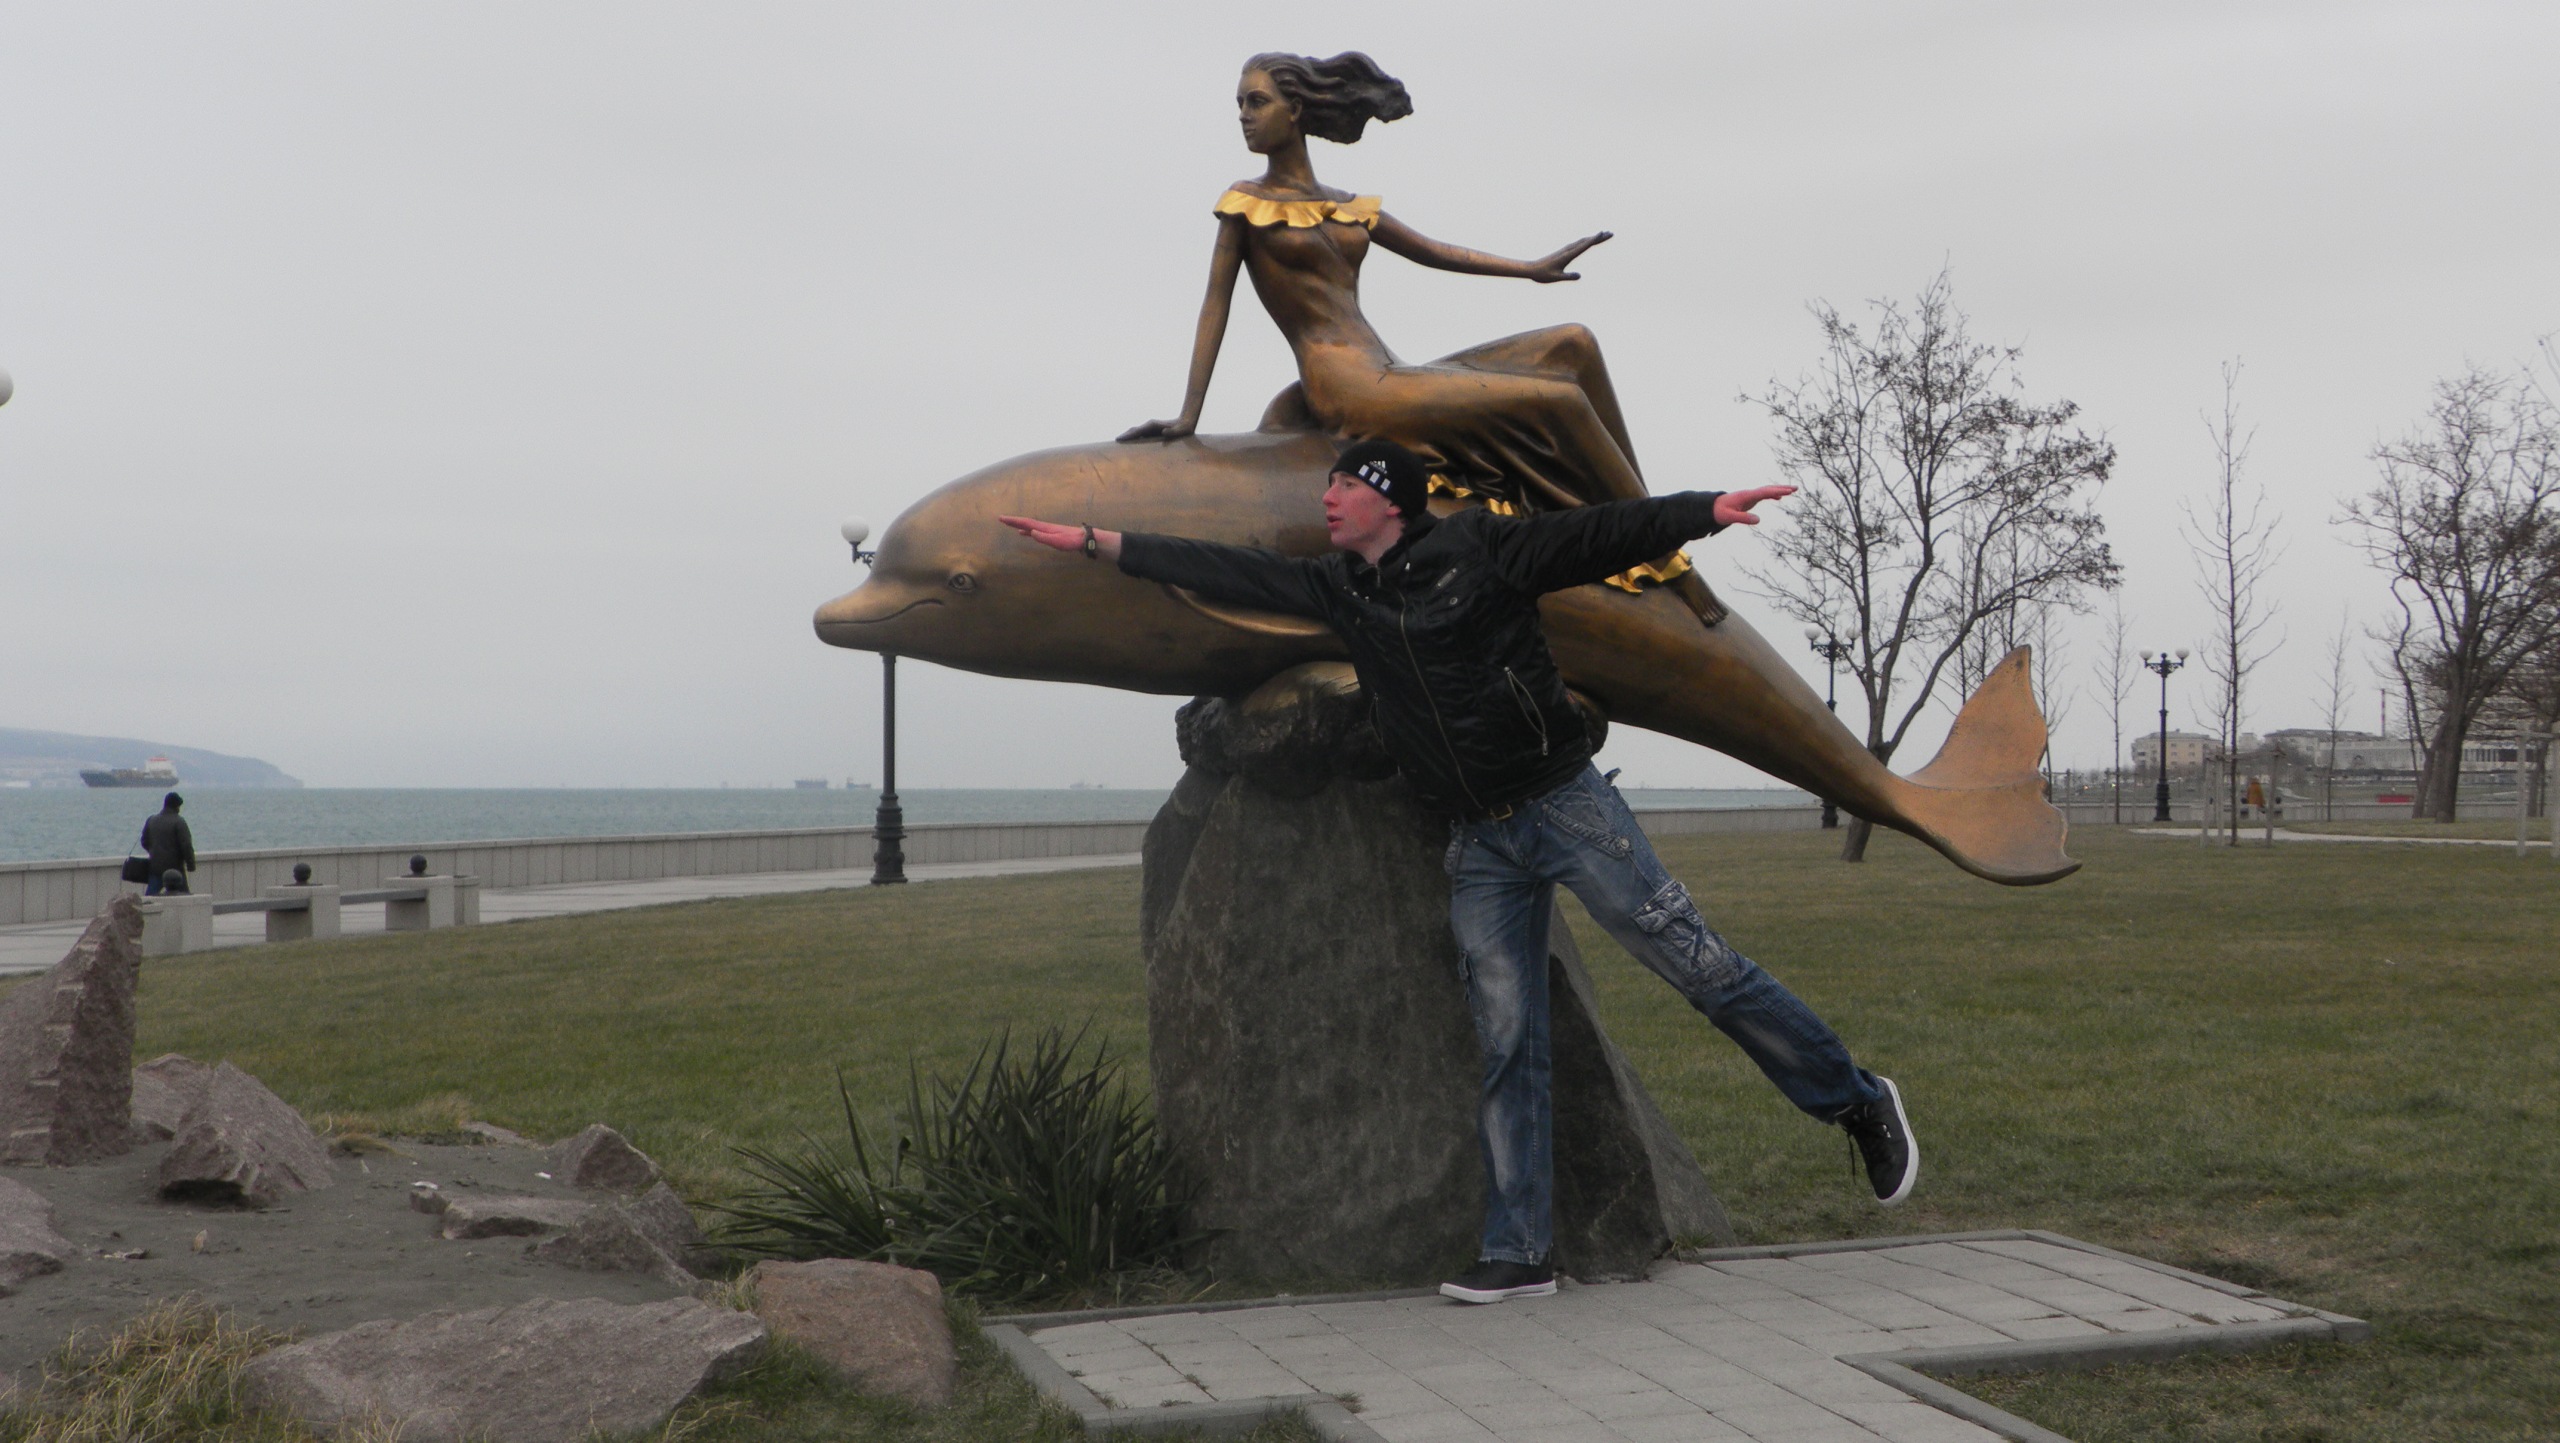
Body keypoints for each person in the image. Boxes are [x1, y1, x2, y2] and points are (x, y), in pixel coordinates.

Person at [998, 439, 1917, 1307]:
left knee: (1699, 966)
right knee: (1507, 1039)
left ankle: (1858, 1099)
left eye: (1345, 484)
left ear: (1388, 500)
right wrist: (1097, 541)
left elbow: (1595, 534)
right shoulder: (1341, 589)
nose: (1328, 497)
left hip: (1566, 806)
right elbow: (1222, 568)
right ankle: (1521, 1249)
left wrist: (1703, 511)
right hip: (1479, 842)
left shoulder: (1481, 549)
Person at [1120, 51, 1723, 625]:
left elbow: (1437, 252)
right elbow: (1215, 305)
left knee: (1573, 345)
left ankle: (1634, 519)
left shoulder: (1347, 205)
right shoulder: (1246, 205)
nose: (1244, 116)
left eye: (1256, 102)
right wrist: (1188, 414)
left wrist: (1531, 268)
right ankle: (1672, 558)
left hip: (1389, 369)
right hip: (1350, 388)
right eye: (1241, 104)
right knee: (1559, 401)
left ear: (1295, 109)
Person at [140, 792, 196, 896]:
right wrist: (191, 864)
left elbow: (144, 841)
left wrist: (154, 851)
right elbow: (186, 846)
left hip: (155, 866)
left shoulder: (151, 820)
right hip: (175, 868)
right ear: (176, 806)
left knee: (150, 898)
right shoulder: (179, 822)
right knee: (184, 897)